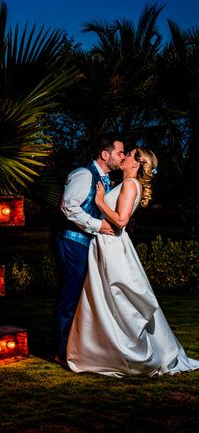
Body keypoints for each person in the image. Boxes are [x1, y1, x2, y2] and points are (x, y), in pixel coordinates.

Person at [67, 148, 199, 376]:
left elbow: (120, 220)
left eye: (129, 154)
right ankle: (103, 350)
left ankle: (128, 353)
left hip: (113, 247)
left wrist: (99, 202)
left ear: (136, 164)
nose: (124, 156)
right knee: (105, 299)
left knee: (117, 298)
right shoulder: (126, 183)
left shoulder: (130, 185)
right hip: (105, 245)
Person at [53, 138, 124, 365]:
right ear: (105, 154)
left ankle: (75, 347)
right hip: (71, 241)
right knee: (70, 296)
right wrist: (97, 225)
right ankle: (61, 351)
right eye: (120, 153)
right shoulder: (84, 174)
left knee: (79, 296)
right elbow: (67, 206)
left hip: (85, 244)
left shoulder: (107, 180)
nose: (122, 157)